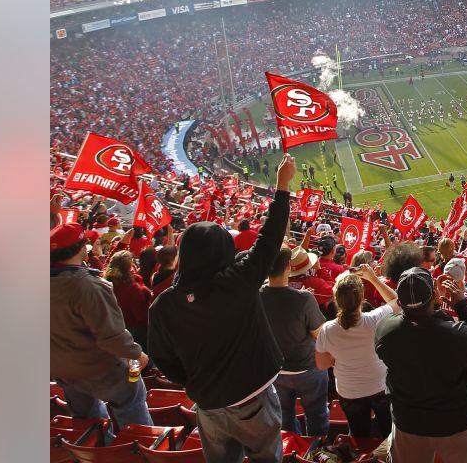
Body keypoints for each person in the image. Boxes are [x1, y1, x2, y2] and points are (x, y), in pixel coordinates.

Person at [148, 155, 296, 463]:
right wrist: (282, 187)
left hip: (208, 404)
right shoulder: (235, 282)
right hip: (251, 400)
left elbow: (163, 360)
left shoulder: (163, 304)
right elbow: (269, 241)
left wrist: (193, 382)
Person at [374, 266, 467, 462]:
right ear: (433, 298)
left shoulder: (385, 331)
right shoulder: (454, 335)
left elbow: (419, 329)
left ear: (399, 301)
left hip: (408, 422)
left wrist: (433, 304)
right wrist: (462, 305)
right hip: (455, 423)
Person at [51, 204, 152, 433]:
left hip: (62, 369)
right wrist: (137, 354)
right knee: (133, 402)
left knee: (87, 423)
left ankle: (96, 453)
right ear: (81, 249)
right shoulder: (87, 286)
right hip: (98, 367)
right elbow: (111, 337)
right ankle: (138, 449)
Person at [316, 266, 398, 440]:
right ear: (361, 297)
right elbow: (396, 301)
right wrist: (373, 279)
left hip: (349, 392)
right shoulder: (375, 318)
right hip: (380, 386)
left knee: (359, 437)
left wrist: (338, 358)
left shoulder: (327, 330)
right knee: (389, 435)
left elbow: (322, 364)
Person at [260, 247, 329, 436]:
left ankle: (293, 452)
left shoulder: (256, 295)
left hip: (275, 371)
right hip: (307, 369)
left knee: (284, 418)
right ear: (289, 267)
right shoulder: (304, 298)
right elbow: (319, 334)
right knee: (317, 416)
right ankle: (314, 451)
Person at [103, 250, 154, 360]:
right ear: (129, 267)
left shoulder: (105, 284)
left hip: (112, 329)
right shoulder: (133, 289)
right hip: (134, 332)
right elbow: (141, 317)